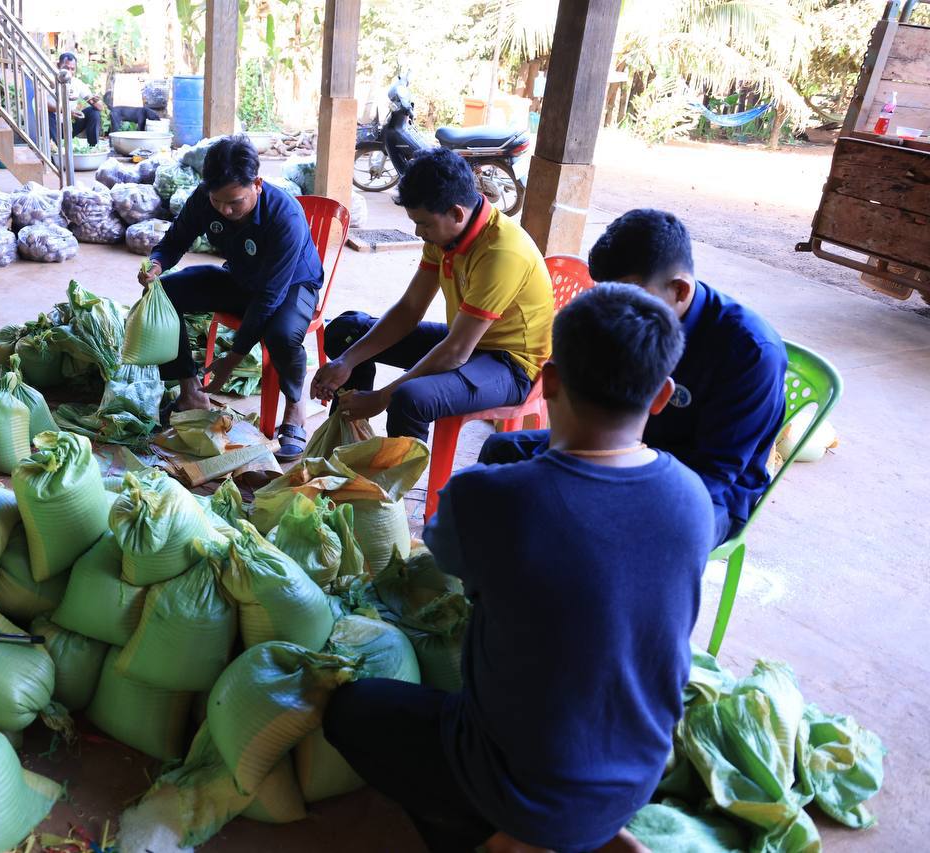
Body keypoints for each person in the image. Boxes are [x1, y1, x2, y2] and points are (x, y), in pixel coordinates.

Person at [324, 284, 715, 853]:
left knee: (351, 712)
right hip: (640, 774)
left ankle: (506, 839)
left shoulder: (493, 497)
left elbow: (445, 558)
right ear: (661, 396)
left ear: (548, 382)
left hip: (522, 787)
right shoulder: (693, 496)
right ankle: (596, 830)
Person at [479, 209, 787, 547]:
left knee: (598, 520)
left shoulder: (751, 353)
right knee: (503, 452)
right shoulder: (624, 317)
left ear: (680, 290)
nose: (616, 308)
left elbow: (714, 474)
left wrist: (606, 482)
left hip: (707, 493)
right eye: (606, 293)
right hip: (622, 447)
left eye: (628, 294)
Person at [310, 147, 553, 442]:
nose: (418, 231)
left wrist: (382, 398)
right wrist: (346, 361)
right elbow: (410, 309)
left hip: (510, 365)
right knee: (345, 333)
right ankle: (347, 441)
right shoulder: (445, 236)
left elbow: (456, 352)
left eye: (424, 223)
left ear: (456, 213)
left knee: (409, 398)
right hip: (465, 340)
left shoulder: (502, 253)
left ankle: (393, 472)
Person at [139, 135, 324, 460]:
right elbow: (175, 240)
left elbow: (269, 298)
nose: (225, 210)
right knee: (164, 294)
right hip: (243, 278)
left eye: (235, 202)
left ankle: (295, 406)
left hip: (292, 287)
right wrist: (156, 265)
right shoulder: (204, 198)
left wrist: (232, 360)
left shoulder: (286, 217)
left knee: (281, 335)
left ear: (257, 184)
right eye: (217, 201)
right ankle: (191, 392)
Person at [47, 52, 105, 148]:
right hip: (52, 126)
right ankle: (55, 150)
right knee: (48, 114)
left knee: (94, 112)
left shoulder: (78, 83)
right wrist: (66, 111)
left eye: (72, 69)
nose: (69, 71)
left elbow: (100, 107)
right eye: (66, 68)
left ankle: (93, 147)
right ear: (58, 66)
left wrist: (94, 101)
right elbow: (42, 105)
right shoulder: (50, 81)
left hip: (69, 126)